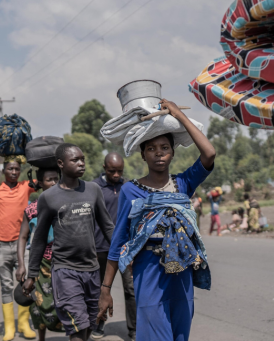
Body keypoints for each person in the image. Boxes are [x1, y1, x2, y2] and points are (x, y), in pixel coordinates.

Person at [97, 99, 215, 341]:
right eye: (151, 148)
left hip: (180, 270)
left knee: (180, 336)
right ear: (142, 155)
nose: (158, 153)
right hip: (148, 271)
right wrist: (105, 289)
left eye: (164, 147)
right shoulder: (131, 190)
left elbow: (209, 152)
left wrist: (179, 116)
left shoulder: (183, 184)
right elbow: (119, 240)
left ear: (172, 152)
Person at [23, 143, 114, 341]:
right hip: (65, 270)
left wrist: (124, 254)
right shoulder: (48, 197)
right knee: (77, 327)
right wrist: (32, 274)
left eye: (83, 159)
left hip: (92, 270)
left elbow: (107, 227)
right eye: (75, 160)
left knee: (90, 323)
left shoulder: (93, 190)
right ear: (60, 164)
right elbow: (38, 238)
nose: (81, 163)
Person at [92, 152, 136, 341]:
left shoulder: (128, 187)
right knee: (101, 289)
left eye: (119, 171)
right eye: (112, 171)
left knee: (131, 289)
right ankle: (99, 325)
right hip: (101, 248)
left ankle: (134, 330)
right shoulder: (94, 188)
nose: (116, 175)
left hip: (126, 249)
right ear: (104, 168)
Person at [15, 168, 62, 341]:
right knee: (39, 304)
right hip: (41, 263)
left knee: (69, 302)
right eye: (50, 180)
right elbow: (22, 237)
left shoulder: (67, 203)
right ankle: (41, 338)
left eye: (57, 179)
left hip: (65, 261)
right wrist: (21, 265)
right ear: (40, 183)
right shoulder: (32, 209)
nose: (54, 183)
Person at [0, 156, 36, 340]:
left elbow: (46, 177)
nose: (13, 172)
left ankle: (23, 324)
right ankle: (9, 327)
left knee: (26, 284)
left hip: (23, 246)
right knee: (5, 286)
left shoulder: (26, 187)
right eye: (10, 169)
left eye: (16, 169)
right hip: (2, 246)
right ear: (3, 171)